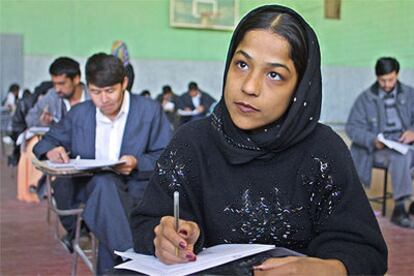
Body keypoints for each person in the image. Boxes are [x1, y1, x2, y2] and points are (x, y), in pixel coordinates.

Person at [130, 5, 387, 275]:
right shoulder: (191, 142)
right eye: (242, 64)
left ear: (300, 88)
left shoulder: (323, 151)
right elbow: (146, 223)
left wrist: (324, 269)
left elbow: (366, 253)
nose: (249, 87)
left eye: (274, 74)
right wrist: (164, 237)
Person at [33, 53, 172, 273]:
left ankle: (127, 263)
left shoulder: (148, 110)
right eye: (96, 92)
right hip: (87, 190)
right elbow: (46, 141)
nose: (103, 99)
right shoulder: (80, 114)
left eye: (110, 91)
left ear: (124, 83)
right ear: (89, 87)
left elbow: (167, 156)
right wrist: (52, 150)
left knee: (107, 209)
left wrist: (137, 162)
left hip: (135, 189)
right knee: (104, 184)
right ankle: (133, 260)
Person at [346, 57, 414, 228]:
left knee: (404, 155)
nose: (387, 84)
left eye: (391, 79)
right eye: (382, 80)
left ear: (397, 75)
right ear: (377, 77)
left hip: (406, 144)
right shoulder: (365, 99)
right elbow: (352, 128)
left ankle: (410, 204)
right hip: (378, 149)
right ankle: (399, 209)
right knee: (401, 158)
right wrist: (372, 140)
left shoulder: (409, 94)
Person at [26, 57, 89, 127]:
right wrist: (42, 122)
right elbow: (30, 119)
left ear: (76, 79)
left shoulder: (93, 97)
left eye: (61, 84)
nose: (57, 89)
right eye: (54, 84)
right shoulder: (52, 96)